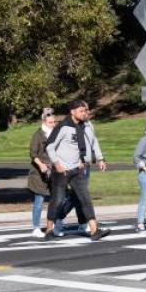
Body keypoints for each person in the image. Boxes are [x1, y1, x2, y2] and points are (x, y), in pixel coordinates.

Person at [44, 100, 110, 241]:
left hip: (76, 170)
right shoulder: (64, 126)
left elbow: (88, 143)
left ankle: (94, 230)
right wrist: (56, 163)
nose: (84, 113)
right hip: (62, 171)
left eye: (85, 111)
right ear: (72, 112)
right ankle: (49, 229)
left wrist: (97, 159)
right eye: (81, 110)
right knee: (58, 200)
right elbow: (49, 146)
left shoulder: (85, 126)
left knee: (85, 198)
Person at [27, 107, 56, 239]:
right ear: (44, 122)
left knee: (57, 199)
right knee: (39, 201)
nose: (53, 124)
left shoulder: (55, 133)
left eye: (54, 122)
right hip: (39, 174)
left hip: (54, 171)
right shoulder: (38, 135)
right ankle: (36, 227)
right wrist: (41, 165)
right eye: (50, 122)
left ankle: (54, 225)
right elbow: (33, 154)